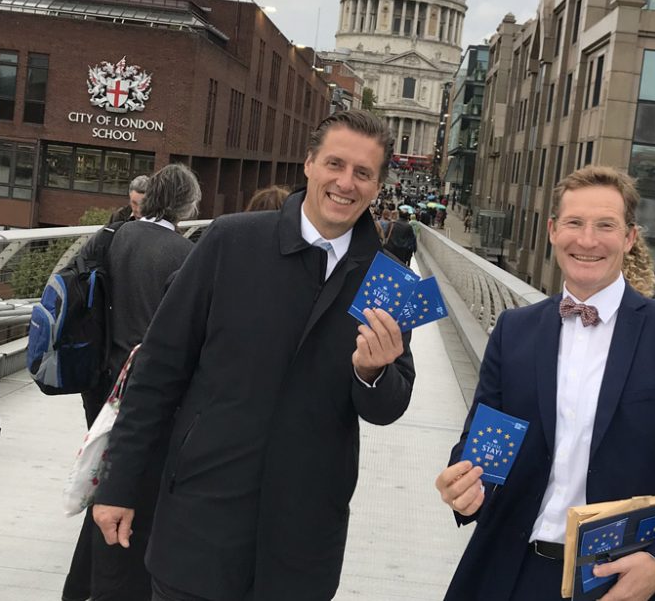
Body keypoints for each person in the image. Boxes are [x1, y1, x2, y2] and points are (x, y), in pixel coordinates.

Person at [92, 110, 416, 601]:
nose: (345, 183)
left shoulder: (391, 280)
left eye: (363, 173)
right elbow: (157, 370)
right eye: (335, 164)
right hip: (202, 514)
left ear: (378, 186)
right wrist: (119, 484)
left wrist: (373, 373)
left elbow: (389, 407)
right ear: (308, 164)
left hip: (303, 533)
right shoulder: (231, 240)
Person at [435, 165, 655, 601]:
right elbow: (481, 445)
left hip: (622, 582)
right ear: (552, 230)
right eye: (574, 224)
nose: (587, 241)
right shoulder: (514, 330)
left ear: (629, 238)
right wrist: (465, 486)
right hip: (510, 571)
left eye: (606, 225)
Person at [62, 164, 203, 601]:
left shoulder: (115, 237)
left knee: (106, 479)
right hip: (146, 392)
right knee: (135, 488)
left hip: (102, 381)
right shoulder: (183, 255)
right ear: (187, 205)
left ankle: (80, 586)